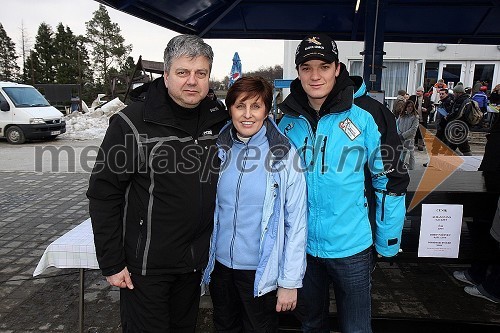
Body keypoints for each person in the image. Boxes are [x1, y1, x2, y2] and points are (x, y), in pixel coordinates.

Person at [86, 34, 230, 332]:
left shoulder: (218, 121)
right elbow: (103, 194)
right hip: (146, 268)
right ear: (165, 76)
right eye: (182, 72)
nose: (192, 81)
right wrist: (111, 262)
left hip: (193, 265)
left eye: (200, 73)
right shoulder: (131, 123)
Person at [278, 34, 407, 333]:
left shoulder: (368, 114)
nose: (315, 75)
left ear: (337, 68)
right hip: (303, 248)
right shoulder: (285, 119)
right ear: (297, 71)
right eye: (306, 67)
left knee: (357, 328)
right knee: (311, 324)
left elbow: (390, 179)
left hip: (353, 248)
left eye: (323, 66)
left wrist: (386, 242)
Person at [202, 76, 308, 331]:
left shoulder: (283, 154)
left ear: (267, 110)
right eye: (240, 106)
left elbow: (296, 223)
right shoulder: (217, 149)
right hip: (221, 269)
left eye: (256, 106)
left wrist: (289, 281)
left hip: (260, 275)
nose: (247, 115)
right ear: (230, 109)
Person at [453, 116, 500, 303]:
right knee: (485, 230)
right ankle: (479, 272)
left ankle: (493, 287)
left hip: (494, 178)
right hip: (490, 176)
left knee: (492, 233)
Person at [445, 84, 472, 155]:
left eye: (454, 92)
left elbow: (458, 114)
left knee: (462, 145)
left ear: (459, 93)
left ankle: (469, 158)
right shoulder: (466, 99)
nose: (453, 94)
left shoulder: (461, 100)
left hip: (459, 125)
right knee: (453, 144)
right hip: (462, 125)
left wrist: (448, 117)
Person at [396, 100, 419, 170]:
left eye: (411, 107)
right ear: (405, 107)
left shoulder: (415, 117)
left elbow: (413, 129)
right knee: (400, 152)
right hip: (400, 136)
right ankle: (400, 165)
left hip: (409, 138)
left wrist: (403, 135)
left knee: (410, 154)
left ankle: (410, 167)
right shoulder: (402, 115)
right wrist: (399, 134)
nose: (410, 108)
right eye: (408, 106)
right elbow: (397, 124)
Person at [409, 86, 433, 151]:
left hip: (423, 118)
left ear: (422, 92)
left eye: (419, 91)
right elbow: (408, 105)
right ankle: (412, 144)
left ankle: (420, 145)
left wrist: (426, 110)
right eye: (417, 91)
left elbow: (430, 107)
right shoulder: (412, 98)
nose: (417, 92)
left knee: (422, 132)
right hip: (413, 118)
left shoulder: (426, 99)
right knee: (413, 131)